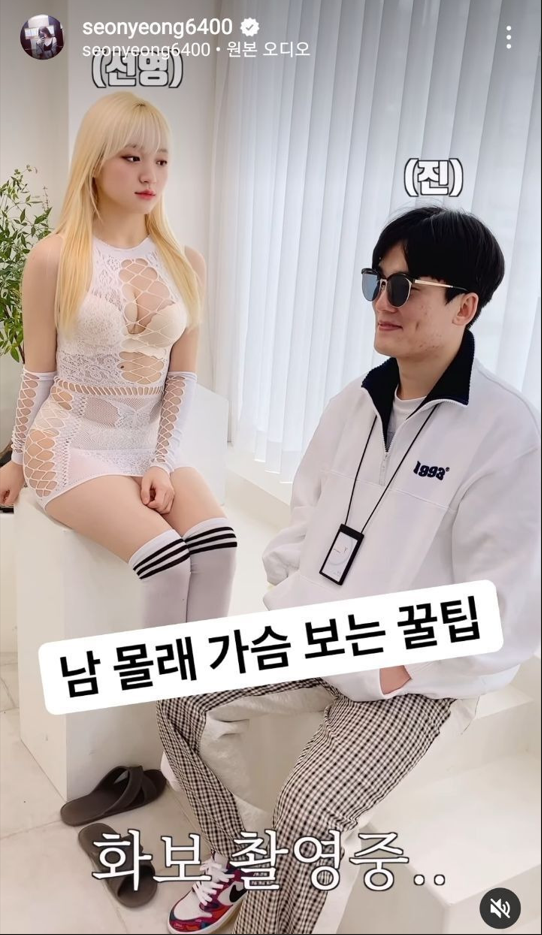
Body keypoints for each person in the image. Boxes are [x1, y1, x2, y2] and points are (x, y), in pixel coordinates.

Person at [156, 207, 541, 935]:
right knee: (179, 694)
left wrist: (400, 666)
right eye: (377, 281)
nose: (382, 301)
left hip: (418, 679)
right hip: (318, 629)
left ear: (465, 306)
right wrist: (291, 601)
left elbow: (508, 600)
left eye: (405, 287)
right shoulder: (354, 402)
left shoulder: (505, 433)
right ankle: (237, 857)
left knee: (308, 811)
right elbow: (305, 518)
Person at [0, 90, 237, 639]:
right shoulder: (55, 257)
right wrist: (16, 459)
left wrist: (162, 462)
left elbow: (182, 376)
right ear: (95, 163)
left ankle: (198, 687)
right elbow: (39, 371)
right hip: (69, 445)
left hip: (145, 446)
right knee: (168, 563)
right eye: (132, 158)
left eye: (162, 160)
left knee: (219, 548)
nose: (150, 174)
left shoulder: (186, 263)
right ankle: (157, 690)